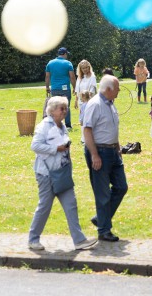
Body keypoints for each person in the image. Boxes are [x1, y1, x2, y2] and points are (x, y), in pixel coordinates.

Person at [28, 95, 97, 251]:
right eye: (62, 108)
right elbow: (35, 146)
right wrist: (56, 149)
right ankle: (33, 239)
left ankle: (79, 240)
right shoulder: (44, 126)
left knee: (71, 204)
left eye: (66, 108)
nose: (65, 111)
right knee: (45, 205)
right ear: (52, 111)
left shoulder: (61, 125)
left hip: (62, 172)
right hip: (46, 174)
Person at [82, 75, 128, 242]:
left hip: (112, 151)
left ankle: (101, 218)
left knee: (121, 187)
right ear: (108, 89)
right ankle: (104, 230)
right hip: (99, 151)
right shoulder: (95, 105)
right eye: (117, 88)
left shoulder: (110, 104)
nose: (119, 91)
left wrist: (117, 146)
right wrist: (94, 155)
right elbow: (87, 131)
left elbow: (111, 127)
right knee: (103, 194)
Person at [45, 47, 76, 129]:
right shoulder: (68, 63)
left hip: (54, 89)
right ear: (65, 54)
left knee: (55, 107)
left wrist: (47, 87)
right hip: (65, 89)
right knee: (66, 106)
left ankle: (55, 124)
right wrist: (74, 87)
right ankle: (68, 125)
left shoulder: (50, 63)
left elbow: (47, 76)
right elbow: (72, 77)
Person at [74, 60, 97, 125]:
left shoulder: (92, 77)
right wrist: (76, 100)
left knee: (89, 118)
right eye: (83, 68)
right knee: (82, 118)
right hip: (81, 101)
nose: (85, 69)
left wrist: (87, 100)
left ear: (89, 67)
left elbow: (92, 90)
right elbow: (77, 89)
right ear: (80, 69)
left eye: (86, 67)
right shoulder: (79, 77)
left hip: (89, 101)